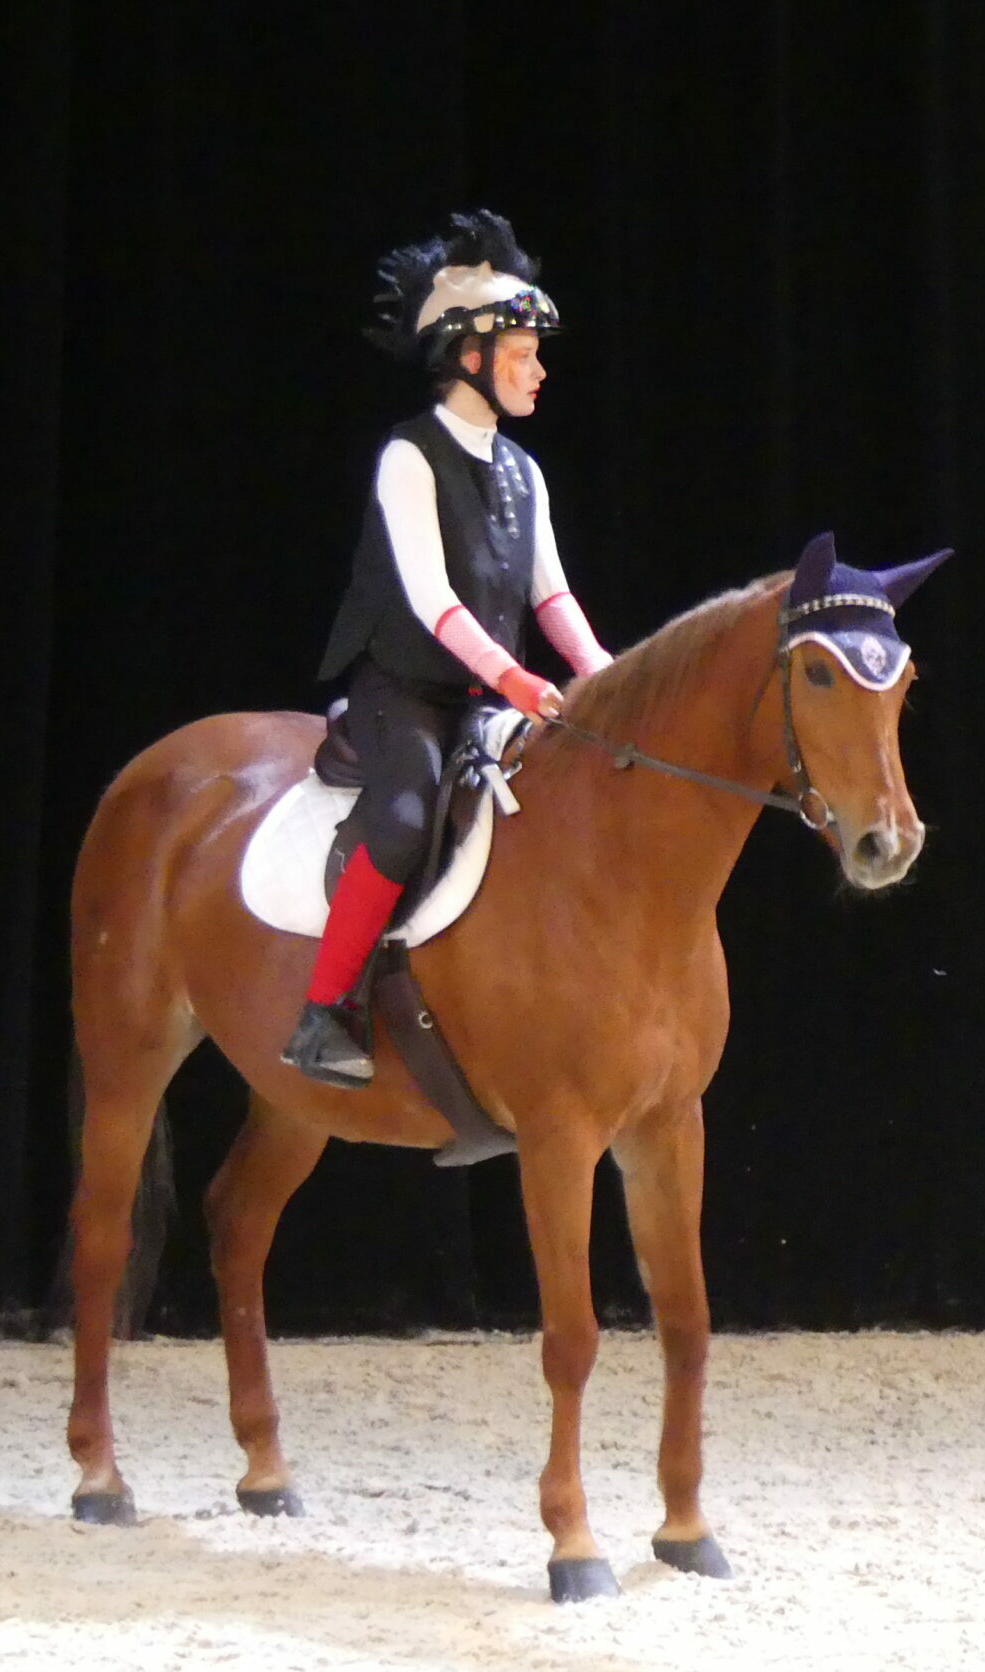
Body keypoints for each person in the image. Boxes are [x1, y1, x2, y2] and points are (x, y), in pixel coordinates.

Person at [280, 210, 617, 1088]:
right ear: (469, 355)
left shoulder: (524, 471)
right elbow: (430, 598)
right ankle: (326, 1010)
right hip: (407, 689)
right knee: (400, 821)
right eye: (522, 353)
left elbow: (551, 593)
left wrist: (607, 682)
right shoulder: (408, 457)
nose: (539, 370)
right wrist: (516, 677)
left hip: (489, 697)